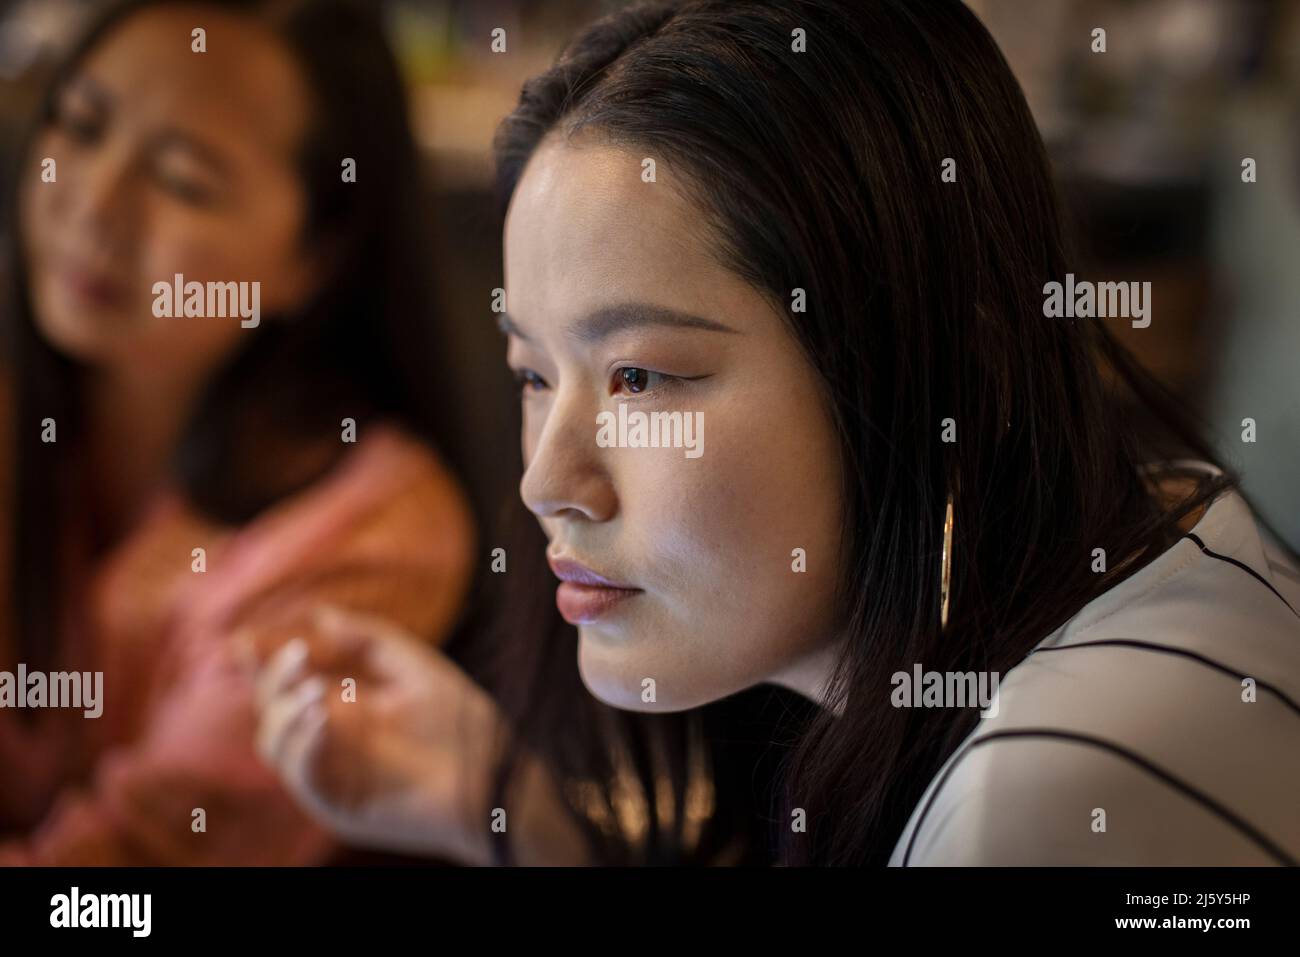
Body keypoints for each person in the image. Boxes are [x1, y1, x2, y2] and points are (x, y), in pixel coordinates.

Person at [256, 0, 1300, 866]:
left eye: (640, 376)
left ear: (942, 370)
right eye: (533, 373)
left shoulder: (1047, 796)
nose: (545, 479)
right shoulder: (1143, 533)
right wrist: (521, 818)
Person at [0, 0, 474, 865]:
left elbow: (129, 880)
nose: (97, 207)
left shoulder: (371, 527)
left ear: (313, 258)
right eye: (81, 124)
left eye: (182, 180)